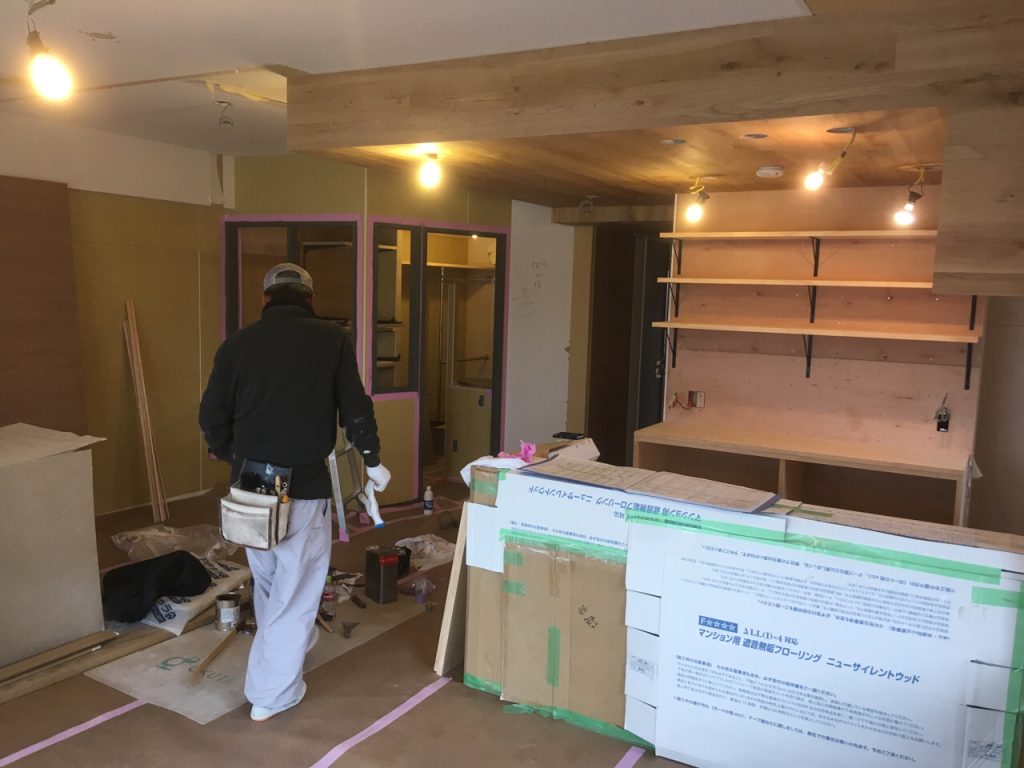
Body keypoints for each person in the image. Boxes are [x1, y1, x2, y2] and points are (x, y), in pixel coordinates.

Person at [199, 263, 390, 722]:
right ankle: (272, 693)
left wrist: (234, 456)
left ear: (266, 298)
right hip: (303, 486)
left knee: (270, 582)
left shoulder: (237, 345)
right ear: (310, 297)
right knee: (298, 589)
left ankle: (290, 649)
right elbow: (355, 409)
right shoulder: (331, 339)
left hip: (250, 489)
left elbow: (210, 417)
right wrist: (372, 459)